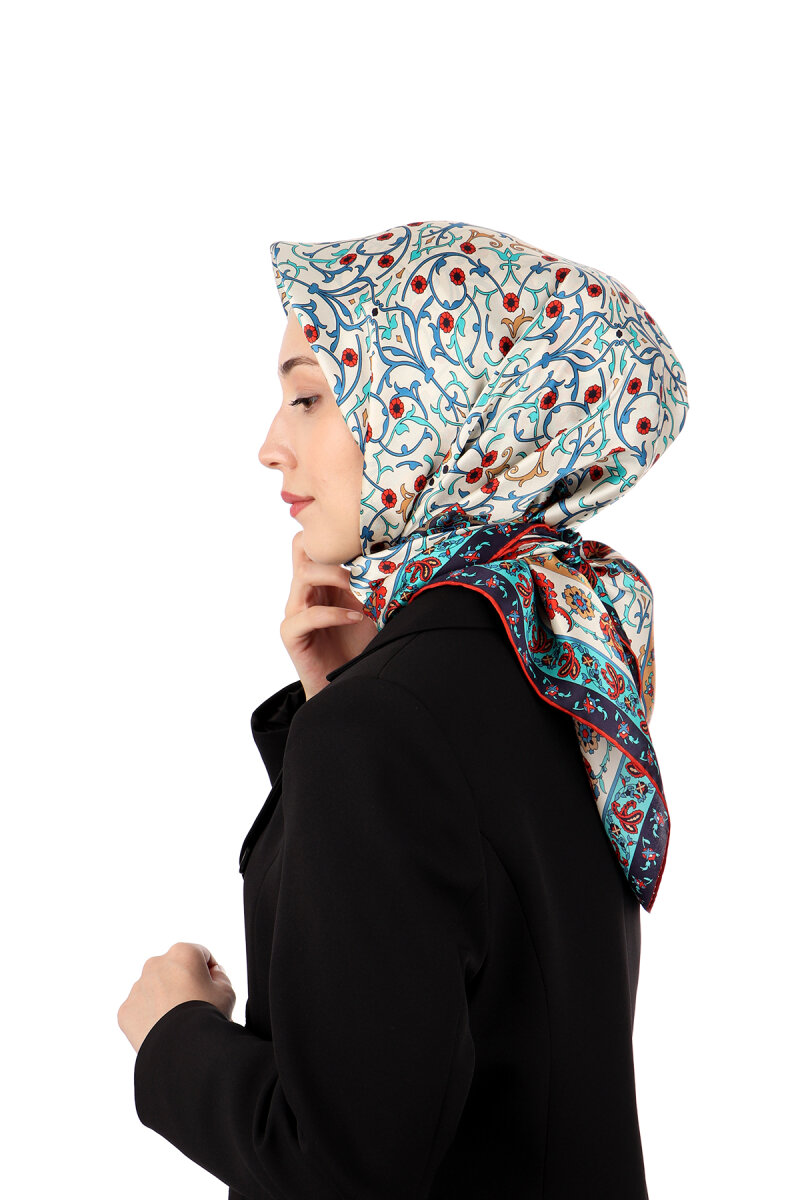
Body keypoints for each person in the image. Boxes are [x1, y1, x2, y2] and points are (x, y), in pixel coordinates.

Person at [119, 219, 689, 1198]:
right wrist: (337, 703)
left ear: (439, 410)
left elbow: (340, 1168)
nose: (269, 447)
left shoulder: (392, 722)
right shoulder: (549, 662)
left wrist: (172, 1038)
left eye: (308, 396)